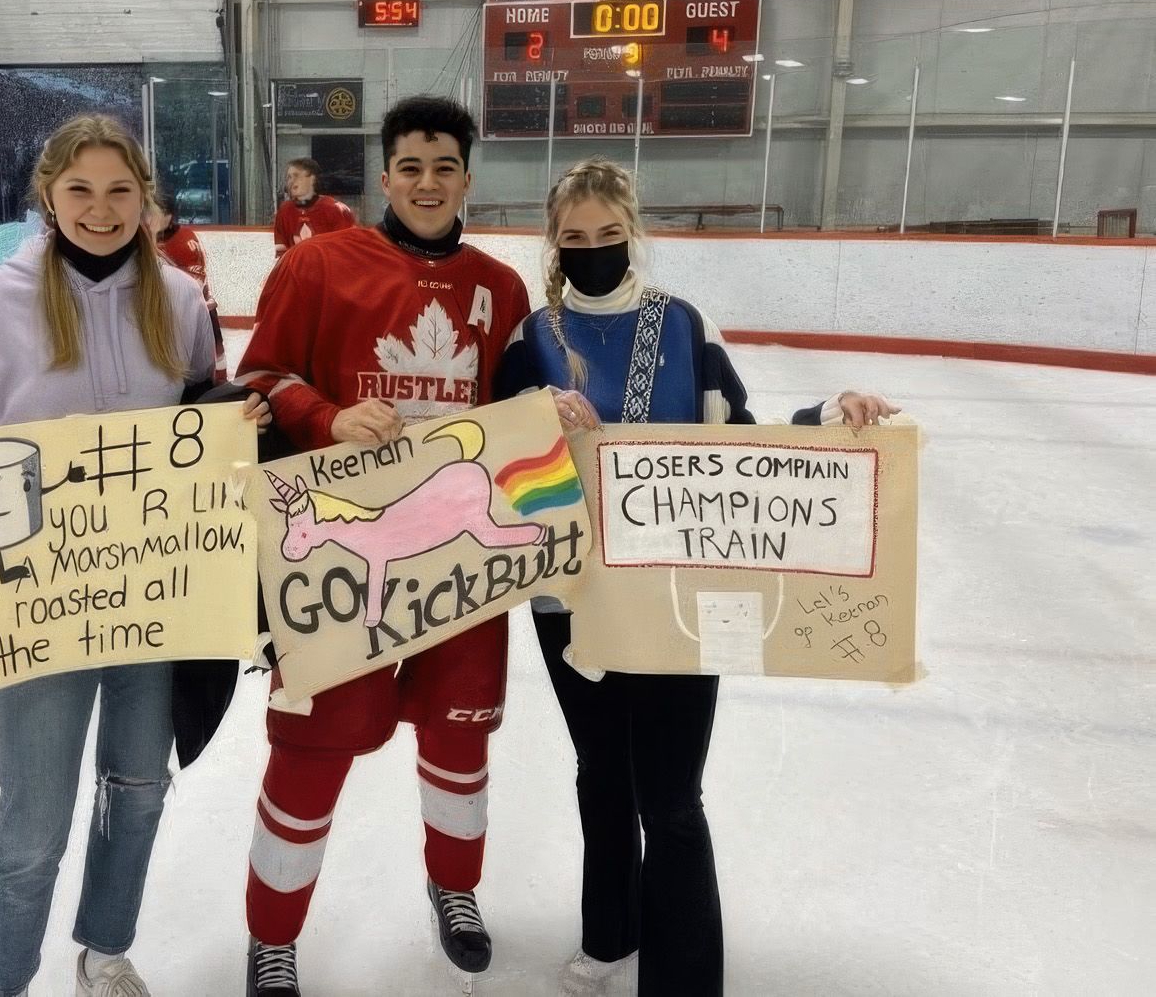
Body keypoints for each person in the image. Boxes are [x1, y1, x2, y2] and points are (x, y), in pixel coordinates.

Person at [0, 115, 268, 997]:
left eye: (121, 190)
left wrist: (237, 419)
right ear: (47, 196)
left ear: (146, 199)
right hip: (39, 601)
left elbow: (200, 412)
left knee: (139, 785)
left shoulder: (180, 299)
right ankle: (7, 981)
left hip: (154, 599)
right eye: (79, 189)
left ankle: (105, 949)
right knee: (34, 818)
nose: (101, 208)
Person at [496, 157, 899, 997]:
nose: (594, 249)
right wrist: (536, 421)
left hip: (680, 592)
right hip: (567, 597)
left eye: (609, 235)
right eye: (575, 238)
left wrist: (830, 417)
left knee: (671, 795)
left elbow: (741, 451)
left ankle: (682, 979)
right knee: (600, 771)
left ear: (633, 233)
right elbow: (493, 467)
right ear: (553, 242)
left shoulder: (682, 325)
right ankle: (610, 935)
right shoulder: (530, 339)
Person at [235, 96, 531, 996]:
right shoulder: (321, 264)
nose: (429, 183)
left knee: (460, 735)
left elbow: (524, 414)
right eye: (411, 167)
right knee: (316, 745)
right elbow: (256, 376)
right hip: (343, 558)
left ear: (467, 177)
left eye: (445, 168)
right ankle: (273, 937)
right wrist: (326, 415)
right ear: (385, 177)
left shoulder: (501, 287)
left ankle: (456, 889)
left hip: (459, 560)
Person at [150, 191, 226, 381]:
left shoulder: (185, 239)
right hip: (163, 312)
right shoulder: (146, 239)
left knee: (209, 367)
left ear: (169, 216)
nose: (148, 218)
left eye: (153, 212)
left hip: (198, 311)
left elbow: (196, 282)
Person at [272, 157, 355, 258]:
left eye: (296, 176)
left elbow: (346, 254)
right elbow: (281, 254)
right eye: (289, 177)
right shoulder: (285, 210)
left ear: (312, 179)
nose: (291, 182)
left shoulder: (336, 210)